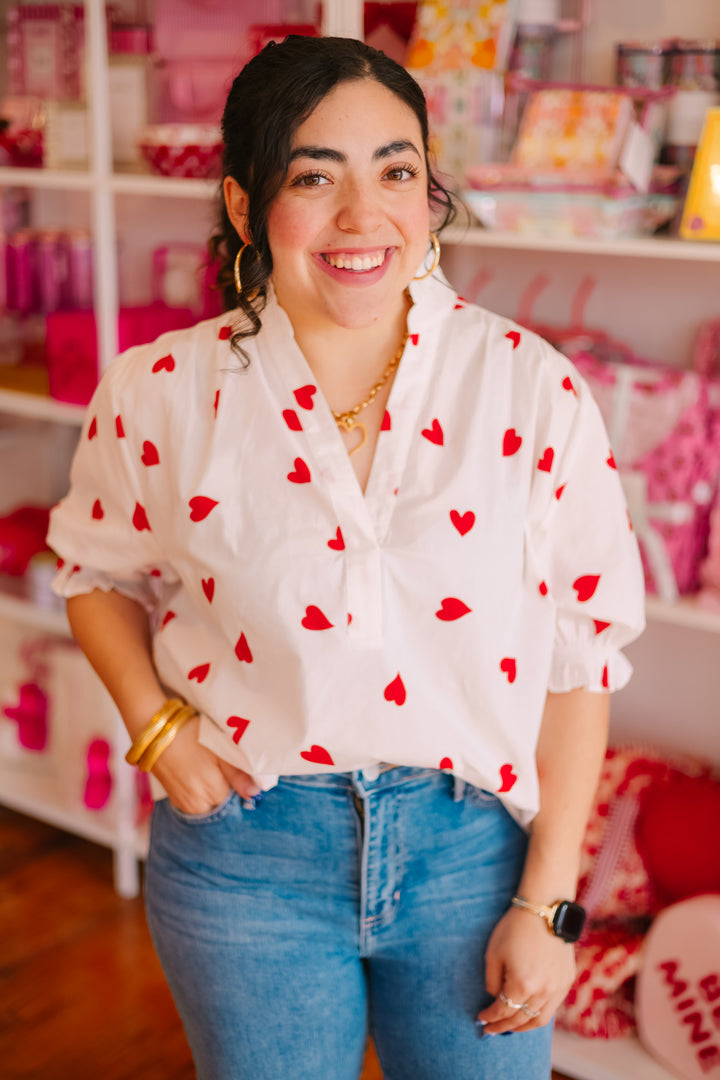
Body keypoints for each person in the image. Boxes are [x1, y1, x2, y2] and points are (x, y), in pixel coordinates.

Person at [47, 34, 645, 1080]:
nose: (365, 217)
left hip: (470, 854)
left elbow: (579, 656)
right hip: (245, 854)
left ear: (429, 190)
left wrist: (549, 902)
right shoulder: (162, 392)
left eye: (396, 172)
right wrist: (158, 732)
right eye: (314, 178)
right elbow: (93, 571)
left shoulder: (529, 389)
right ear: (244, 207)